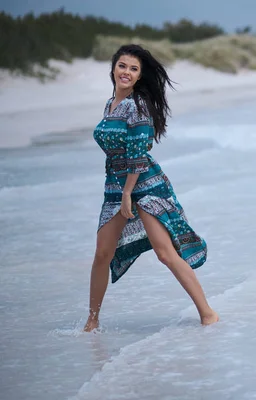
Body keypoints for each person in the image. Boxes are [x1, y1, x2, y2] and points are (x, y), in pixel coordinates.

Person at [84, 44, 218, 332]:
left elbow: (138, 154)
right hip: (115, 186)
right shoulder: (111, 104)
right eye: (122, 66)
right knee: (101, 253)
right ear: (113, 68)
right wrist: (120, 192)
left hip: (143, 183)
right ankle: (92, 321)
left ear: (139, 76)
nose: (126, 72)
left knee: (164, 252)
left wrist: (128, 194)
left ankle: (208, 313)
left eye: (133, 69)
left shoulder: (138, 106)